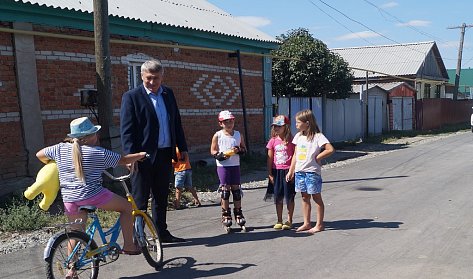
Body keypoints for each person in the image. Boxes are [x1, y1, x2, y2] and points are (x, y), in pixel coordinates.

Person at [35, 117, 147, 255]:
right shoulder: (98, 152)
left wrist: (57, 163)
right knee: (127, 207)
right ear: (89, 137)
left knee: (76, 233)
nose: (97, 135)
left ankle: (72, 268)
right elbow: (123, 160)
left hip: (69, 198)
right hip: (93, 195)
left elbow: (39, 155)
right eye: (95, 132)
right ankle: (129, 245)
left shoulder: (59, 148)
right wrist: (140, 155)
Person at [120, 59, 188, 243]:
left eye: (156, 78)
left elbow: (176, 122)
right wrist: (129, 157)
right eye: (148, 78)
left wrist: (182, 148)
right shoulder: (132, 97)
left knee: (160, 196)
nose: (152, 82)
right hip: (141, 157)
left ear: (162, 77)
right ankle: (137, 237)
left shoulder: (168, 94)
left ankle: (161, 233)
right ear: (142, 76)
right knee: (140, 199)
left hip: (165, 153)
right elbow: (127, 130)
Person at [286, 109, 334, 234]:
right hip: (299, 171)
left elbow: (330, 149)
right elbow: (295, 155)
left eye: (298, 122)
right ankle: (307, 223)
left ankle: (319, 224)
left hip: (312, 172)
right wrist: (291, 171)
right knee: (304, 197)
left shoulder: (318, 136)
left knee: (316, 197)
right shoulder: (298, 136)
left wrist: (318, 157)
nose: (295, 125)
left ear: (307, 123)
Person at [210, 110, 247, 228]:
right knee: (225, 190)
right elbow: (213, 150)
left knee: (236, 190)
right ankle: (225, 214)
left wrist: (239, 150)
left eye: (231, 121)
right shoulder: (218, 135)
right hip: (223, 166)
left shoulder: (238, 134)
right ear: (221, 123)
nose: (229, 124)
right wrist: (219, 155)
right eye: (226, 122)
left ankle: (238, 213)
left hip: (235, 165)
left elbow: (244, 148)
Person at [264, 115, 296, 230]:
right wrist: (270, 173)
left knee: (289, 196)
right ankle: (279, 220)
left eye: (279, 126)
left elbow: (294, 157)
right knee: (278, 196)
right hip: (276, 171)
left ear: (286, 127)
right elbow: (269, 158)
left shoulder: (292, 140)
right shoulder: (272, 141)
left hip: (288, 171)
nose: (276, 128)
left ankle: (289, 220)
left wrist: (292, 172)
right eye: (275, 126)